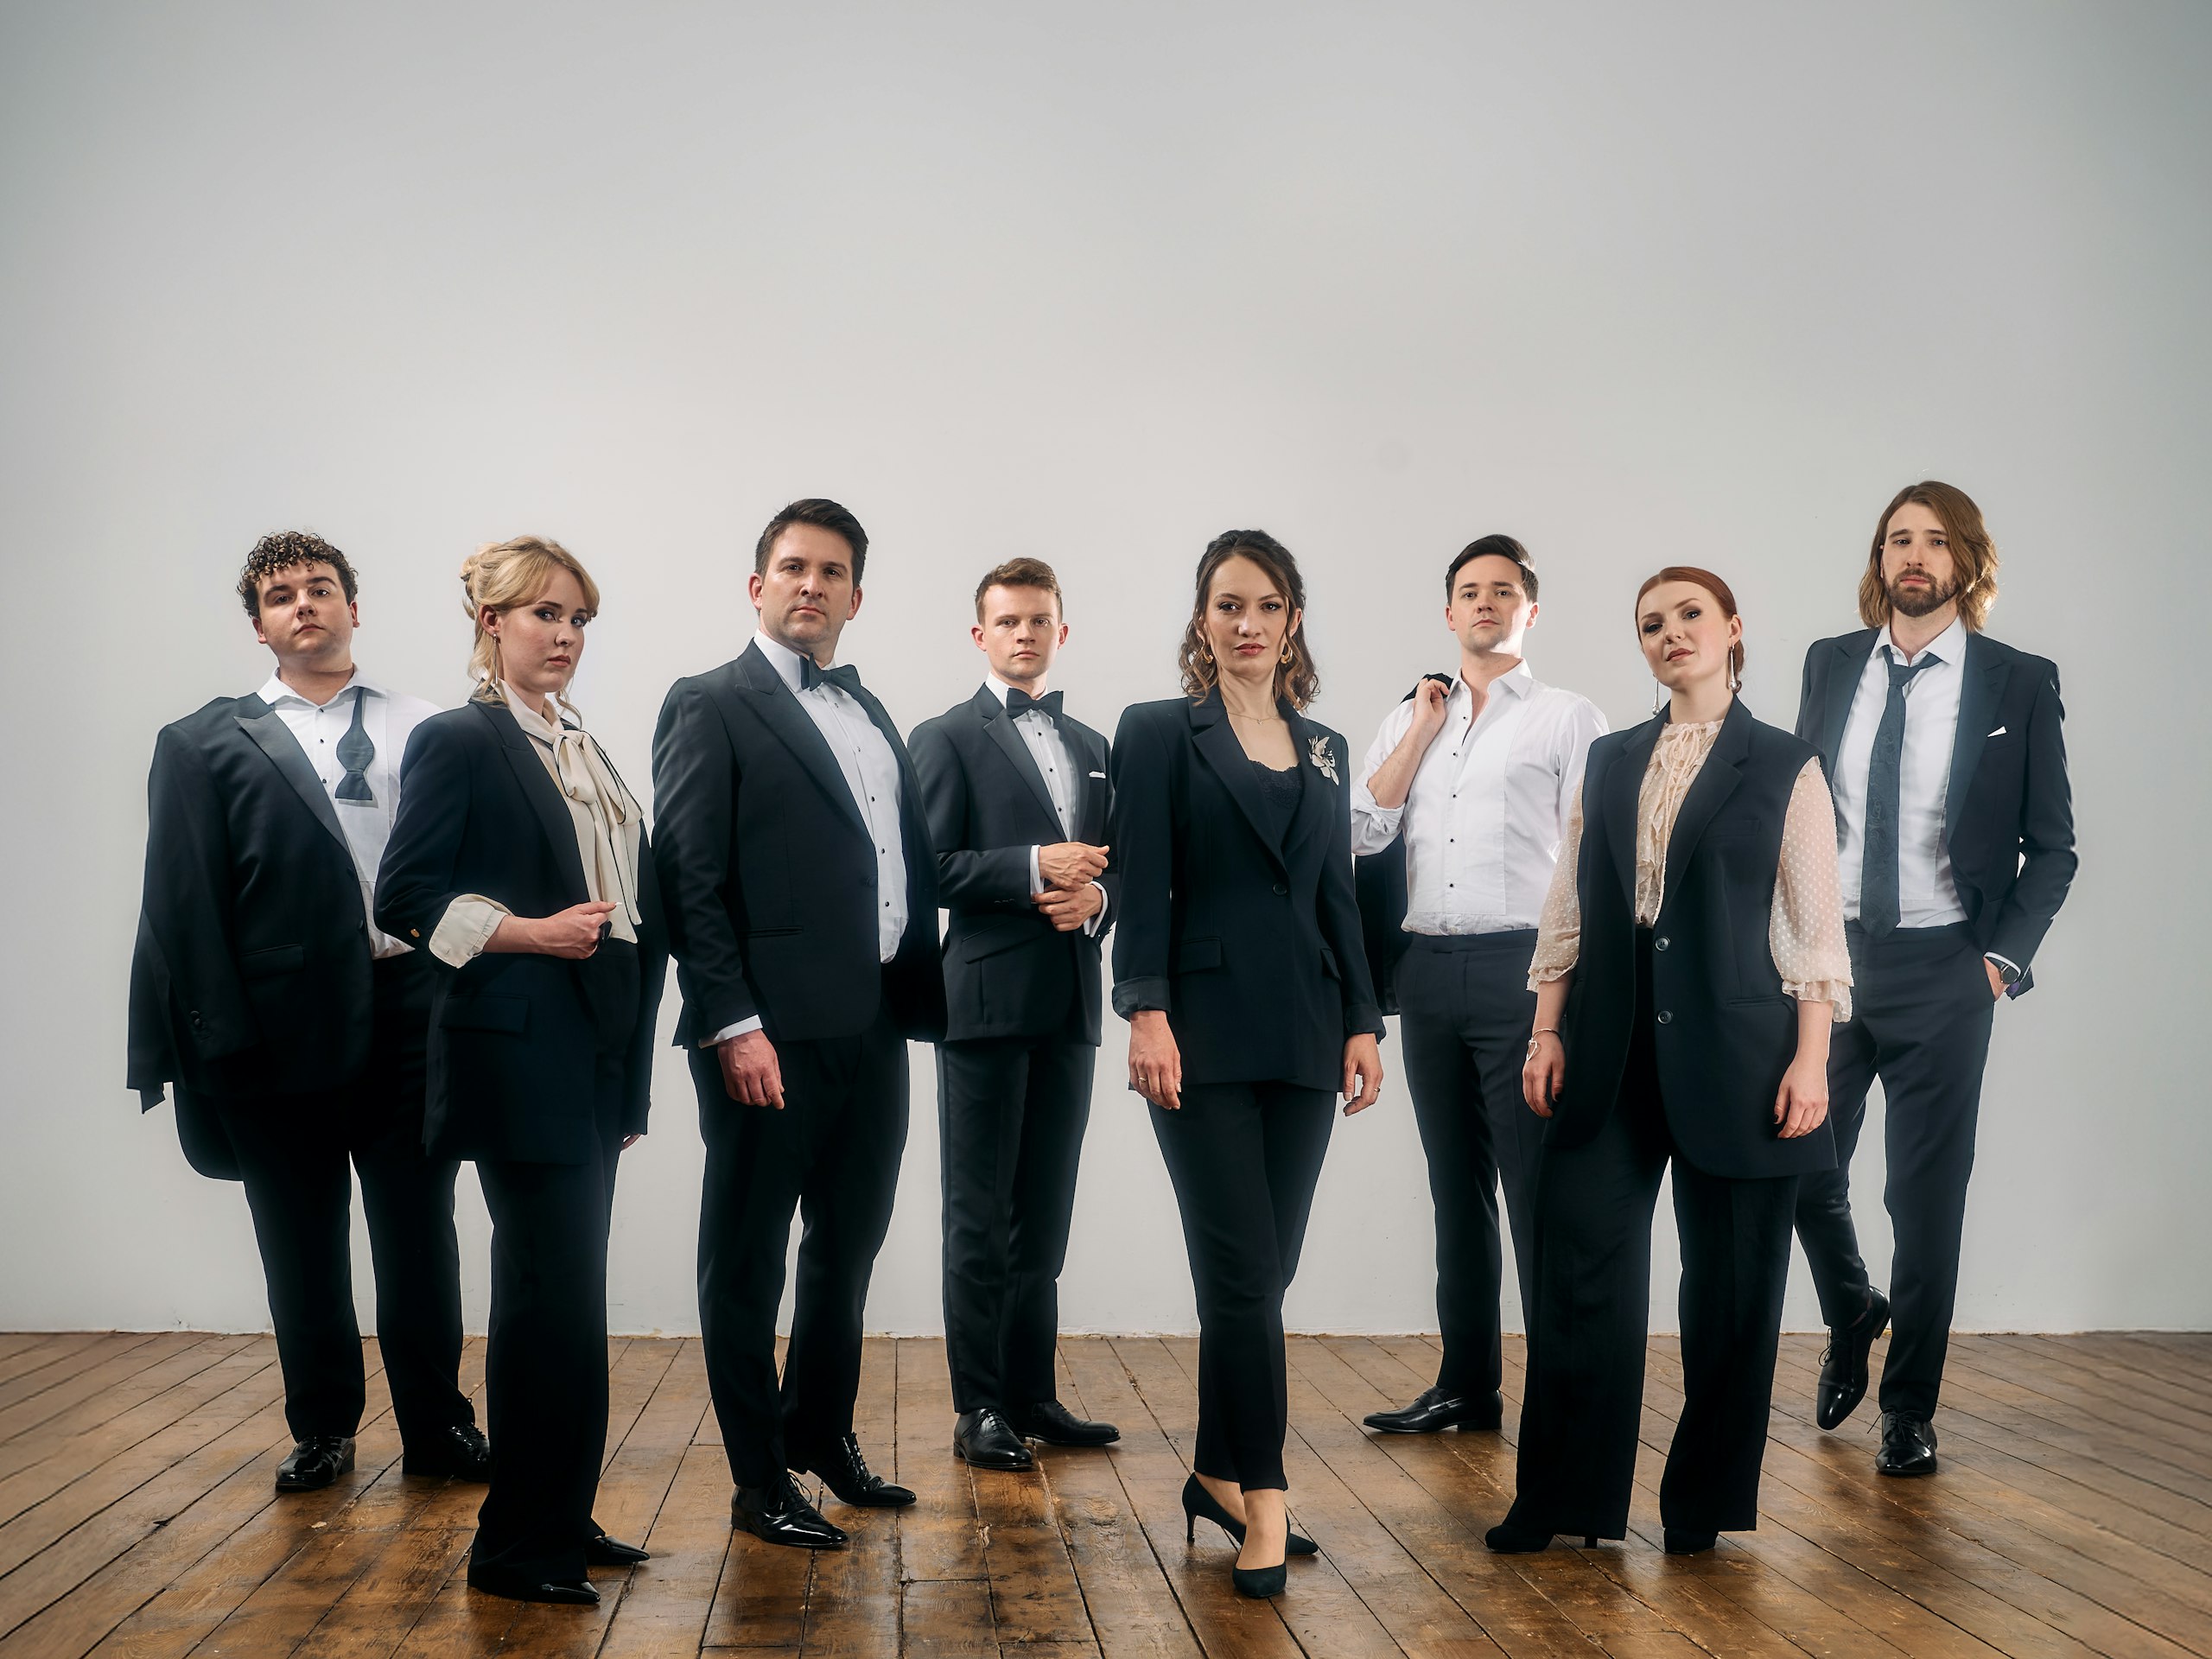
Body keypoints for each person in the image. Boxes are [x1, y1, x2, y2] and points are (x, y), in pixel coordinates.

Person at [1489, 567, 1850, 1558]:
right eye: (1651, 623)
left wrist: (1810, 1061)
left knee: (1732, 1294)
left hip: (1742, 1058)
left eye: (1689, 614)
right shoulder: (1609, 759)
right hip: (1606, 1050)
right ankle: (1561, 1497)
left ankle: (1701, 1505)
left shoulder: (1785, 765)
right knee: (1579, 1277)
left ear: (1734, 629)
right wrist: (1545, 1027)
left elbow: (1815, 929)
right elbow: (1568, 903)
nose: (1669, 633)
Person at [127, 531, 484, 1496]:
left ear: (353, 607)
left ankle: (440, 1426)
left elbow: (468, 868)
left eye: (322, 589)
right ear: (259, 626)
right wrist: (214, 1044)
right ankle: (323, 1427)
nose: (305, 606)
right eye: (281, 596)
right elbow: (184, 906)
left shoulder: (433, 725)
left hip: (412, 1010)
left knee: (419, 1232)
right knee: (299, 1241)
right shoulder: (203, 742)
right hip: (276, 1034)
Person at [374, 536, 665, 1605]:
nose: (565, 636)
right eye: (545, 614)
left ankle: (559, 1513)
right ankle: (512, 1552)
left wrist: (627, 1077)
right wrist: (529, 935)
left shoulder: (583, 746)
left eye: (579, 618)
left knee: (571, 1303)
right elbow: (402, 899)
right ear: (490, 623)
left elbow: (630, 912)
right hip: (514, 1059)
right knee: (543, 1302)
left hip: (588, 1060)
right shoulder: (462, 739)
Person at [652, 498, 947, 1551]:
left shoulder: (871, 713)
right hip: (765, 1031)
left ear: (856, 597)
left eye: (830, 572)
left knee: (848, 1248)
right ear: (756, 585)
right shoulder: (709, 703)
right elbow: (687, 876)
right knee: (747, 1262)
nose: (809, 585)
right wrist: (731, 1020)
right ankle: (757, 1478)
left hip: (873, 1022)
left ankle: (818, 1431)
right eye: (791, 567)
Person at [1111, 529, 1386, 1599]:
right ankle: (1265, 1501)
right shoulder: (1156, 733)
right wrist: (1145, 1011)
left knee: (1263, 1276)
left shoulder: (1325, 748)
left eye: (1265, 605)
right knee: (1238, 1276)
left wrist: (1363, 1021)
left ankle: (1217, 1471)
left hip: (1308, 1033)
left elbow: (1335, 897)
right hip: (1201, 1035)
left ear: (1293, 619)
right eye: (1227, 605)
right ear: (1201, 619)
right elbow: (1141, 885)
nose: (1246, 623)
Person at [1791, 481, 2075, 1476]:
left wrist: (1997, 964)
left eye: (1935, 541)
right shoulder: (1830, 665)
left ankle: (1907, 1408)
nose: (1914, 555)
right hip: (1832, 962)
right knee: (1794, 1159)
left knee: (1925, 1199)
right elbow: (1801, 818)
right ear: (1878, 561)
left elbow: (2054, 849)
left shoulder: (2017, 681)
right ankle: (1849, 1308)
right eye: (1896, 540)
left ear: (1965, 562)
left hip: (1946, 968)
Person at [1349, 535, 1605, 1437]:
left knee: (1536, 1193)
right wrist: (1422, 727)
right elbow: (1363, 835)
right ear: (1448, 614)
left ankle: (1563, 1397)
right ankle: (1467, 1385)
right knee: (1454, 1189)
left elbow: (1586, 860)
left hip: (1520, 971)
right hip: (1426, 972)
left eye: (1503, 591)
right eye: (1469, 592)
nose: (1486, 604)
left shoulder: (1569, 718)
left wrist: (1558, 1005)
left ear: (1529, 610)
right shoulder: (1410, 716)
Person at [908, 558, 1121, 1471]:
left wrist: (1097, 905)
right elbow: (930, 870)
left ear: (1060, 632)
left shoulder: (1092, 742)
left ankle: (1031, 1394)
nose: (1024, 634)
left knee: (1046, 1213)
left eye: (1039, 620)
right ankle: (979, 1408)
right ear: (980, 635)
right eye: (1008, 621)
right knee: (978, 1215)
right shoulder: (945, 735)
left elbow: (1115, 871)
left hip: (1070, 1004)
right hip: (985, 1003)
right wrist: (1036, 866)